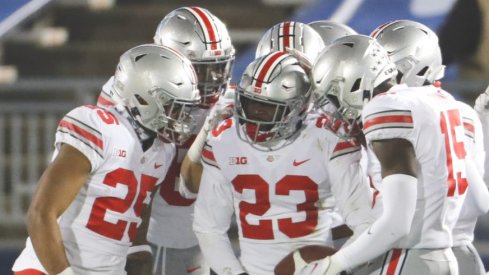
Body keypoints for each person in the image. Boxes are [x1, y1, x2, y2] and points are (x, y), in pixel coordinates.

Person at [298, 34, 484, 274]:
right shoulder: (438, 99)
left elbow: (397, 223)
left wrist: (334, 264)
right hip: (441, 253)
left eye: (333, 97)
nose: (335, 112)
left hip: (406, 257)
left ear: (355, 82)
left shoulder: (384, 108)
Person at [11, 44, 201, 275]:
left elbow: (136, 217)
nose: (180, 117)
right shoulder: (98, 126)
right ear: (143, 97)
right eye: (173, 107)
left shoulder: (163, 150)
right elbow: (41, 213)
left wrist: (140, 260)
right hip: (49, 269)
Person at [192, 51, 375, 274]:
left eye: (268, 107)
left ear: (298, 108)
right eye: (250, 103)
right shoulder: (224, 138)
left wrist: (335, 268)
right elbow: (208, 226)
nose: (255, 114)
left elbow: (365, 222)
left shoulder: (328, 137)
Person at [97, 6, 236, 275]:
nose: (213, 81)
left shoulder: (228, 102)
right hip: (140, 229)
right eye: (201, 70)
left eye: (218, 68)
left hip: (197, 233)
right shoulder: (135, 91)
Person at [372, 20, 489, 275]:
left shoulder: (399, 116)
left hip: (412, 254)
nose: (375, 82)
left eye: (384, 72)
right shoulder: (459, 112)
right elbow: (479, 199)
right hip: (460, 254)